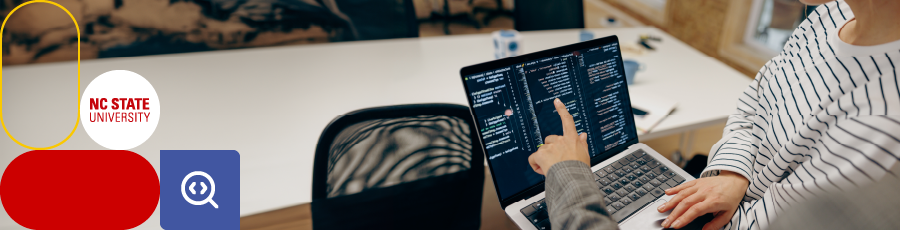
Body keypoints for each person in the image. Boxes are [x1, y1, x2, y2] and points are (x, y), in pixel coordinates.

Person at [527, 1, 900, 230]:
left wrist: (568, 176)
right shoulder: (830, 14)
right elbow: (758, 100)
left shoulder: (886, 122)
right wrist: (733, 173)